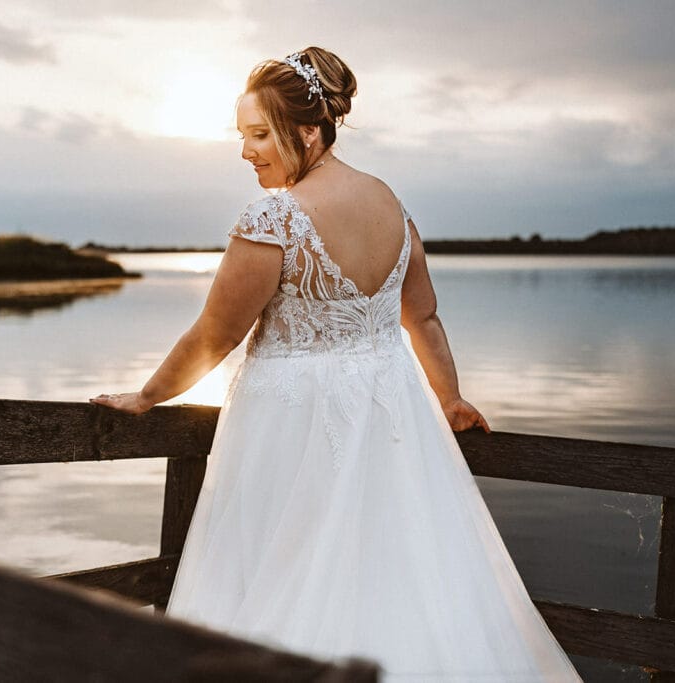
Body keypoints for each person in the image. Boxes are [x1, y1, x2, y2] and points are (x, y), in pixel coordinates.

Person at [93, 47, 582, 682]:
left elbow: (216, 336)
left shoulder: (274, 217)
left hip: (292, 429)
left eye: (260, 135)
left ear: (310, 130)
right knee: (393, 575)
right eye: (243, 136)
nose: (247, 152)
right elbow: (423, 319)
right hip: (392, 419)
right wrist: (449, 397)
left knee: (279, 571)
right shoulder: (391, 207)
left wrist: (147, 397)